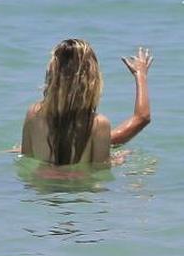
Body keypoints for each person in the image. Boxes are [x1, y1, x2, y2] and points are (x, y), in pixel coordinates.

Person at [20, 40, 152, 166]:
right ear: (93, 80)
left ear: (51, 76)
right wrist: (140, 75)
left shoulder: (33, 114)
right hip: (80, 187)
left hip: (41, 187)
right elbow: (142, 118)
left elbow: (25, 157)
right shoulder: (98, 125)